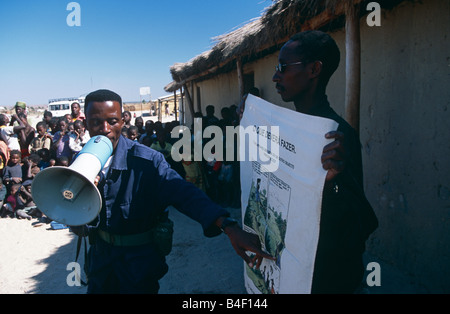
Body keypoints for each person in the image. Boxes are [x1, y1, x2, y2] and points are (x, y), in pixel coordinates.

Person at [71, 89, 273, 294]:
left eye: (112, 121)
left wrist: (228, 226)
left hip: (137, 263)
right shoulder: (81, 164)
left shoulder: (147, 161)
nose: (105, 129)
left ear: (123, 121)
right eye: (96, 122)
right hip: (101, 260)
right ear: (85, 123)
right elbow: (73, 217)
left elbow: (183, 193)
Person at [258, 30, 378, 293]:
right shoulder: (287, 131)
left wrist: (336, 181)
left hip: (327, 276)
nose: (275, 76)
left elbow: (361, 223)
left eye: (283, 67)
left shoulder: (337, 137)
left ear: (314, 69)